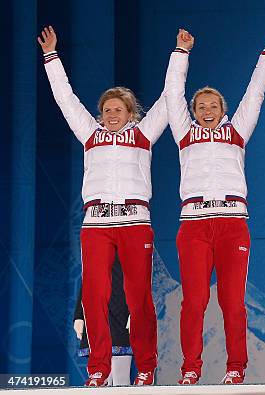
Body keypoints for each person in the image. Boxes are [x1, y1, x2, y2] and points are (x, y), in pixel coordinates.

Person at [38, 26, 168, 386]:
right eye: (106, 109)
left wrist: (180, 54)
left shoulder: (144, 134)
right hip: (96, 223)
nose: (111, 114)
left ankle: (146, 367)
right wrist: (52, 57)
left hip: (134, 222)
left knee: (138, 298)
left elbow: (170, 98)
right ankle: (98, 369)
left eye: (118, 109)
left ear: (131, 112)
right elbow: (65, 99)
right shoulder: (89, 134)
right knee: (94, 297)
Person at [164, 29, 265, 385]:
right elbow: (173, 94)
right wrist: (181, 52)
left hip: (232, 222)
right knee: (194, 301)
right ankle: (190, 369)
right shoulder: (184, 132)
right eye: (201, 107)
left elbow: (255, 93)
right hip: (195, 224)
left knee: (232, 302)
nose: (207, 111)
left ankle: (236, 368)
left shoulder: (237, 130)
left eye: (214, 106)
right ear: (193, 112)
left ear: (224, 111)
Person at [74, 257, 132, 386]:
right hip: (96, 315)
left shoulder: (128, 249)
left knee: (120, 377)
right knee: (99, 377)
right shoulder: (95, 251)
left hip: (121, 314)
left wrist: (135, 311)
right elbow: (87, 283)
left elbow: (139, 281)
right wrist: (79, 315)